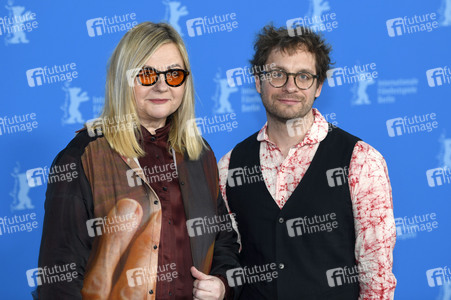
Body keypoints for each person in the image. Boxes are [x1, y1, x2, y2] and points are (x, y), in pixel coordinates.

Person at [35, 22, 240, 300]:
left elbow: (223, 243)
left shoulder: (199, 154)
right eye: (146, 74)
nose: (161, 85)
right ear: (123, 79)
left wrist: (221, 284)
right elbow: (59, 278)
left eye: (174, 74)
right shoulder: (82, 156)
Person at [218, 25, 397, 299]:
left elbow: (377, 276)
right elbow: (226, 261)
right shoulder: (229, 166)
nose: (290, 86)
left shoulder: (361, 161)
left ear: (318, 86)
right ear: (258, 81)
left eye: (303, 76)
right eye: (277, 74)